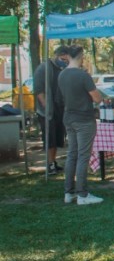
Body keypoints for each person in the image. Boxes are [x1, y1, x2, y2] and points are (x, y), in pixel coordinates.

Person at [58, 45, 103, 205]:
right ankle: (82, 194)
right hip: (84, 119)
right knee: (83, 156)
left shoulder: (62, 75)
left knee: (72, 155)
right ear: (81, 55)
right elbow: (97, 98)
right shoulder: (83, 76)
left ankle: (68, 192)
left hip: (68, 117)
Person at [33, 45, 70, 175]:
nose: (65, 62)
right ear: (56, 55)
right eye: (63, 59)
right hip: (47, 110)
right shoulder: (44, 68)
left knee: (58, 138)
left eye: (67, 60)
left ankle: (53, 162)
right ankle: (49, 165)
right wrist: (47, 108)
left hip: (60, 109)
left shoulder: (63, 69)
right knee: (50, 138)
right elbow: (39, 90)